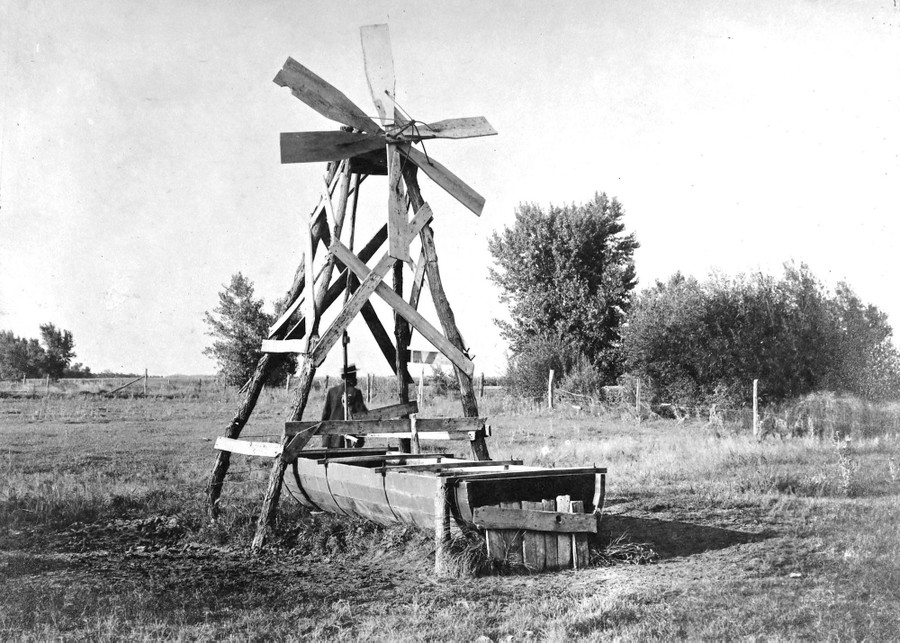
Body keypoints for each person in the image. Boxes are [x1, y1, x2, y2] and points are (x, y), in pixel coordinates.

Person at [321, 363, 367, 448]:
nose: (356, 378)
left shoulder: (332, 391)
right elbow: (362, 415)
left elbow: (325, 415)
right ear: (352, 376)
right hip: (348, 438)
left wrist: (326, 436)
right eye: (354, 375)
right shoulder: (355, 392)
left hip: (332, 438)